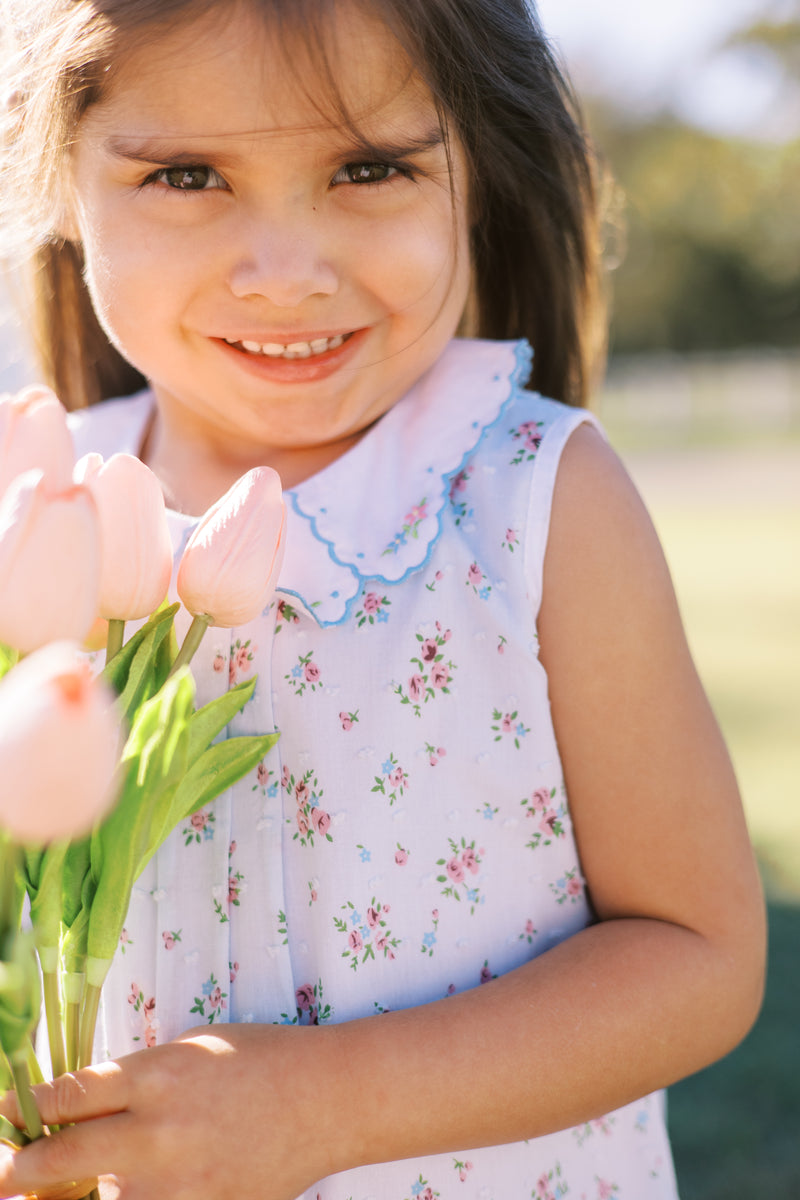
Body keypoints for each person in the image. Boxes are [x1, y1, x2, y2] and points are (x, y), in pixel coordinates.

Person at [0, 1, 766, 1198]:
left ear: (477, 173)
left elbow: (698, 955)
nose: (286, 273)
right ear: (55, 183)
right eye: (187, 175)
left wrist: (324, 1106)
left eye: (367, 167)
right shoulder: (34, 505)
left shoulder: (533, 500)